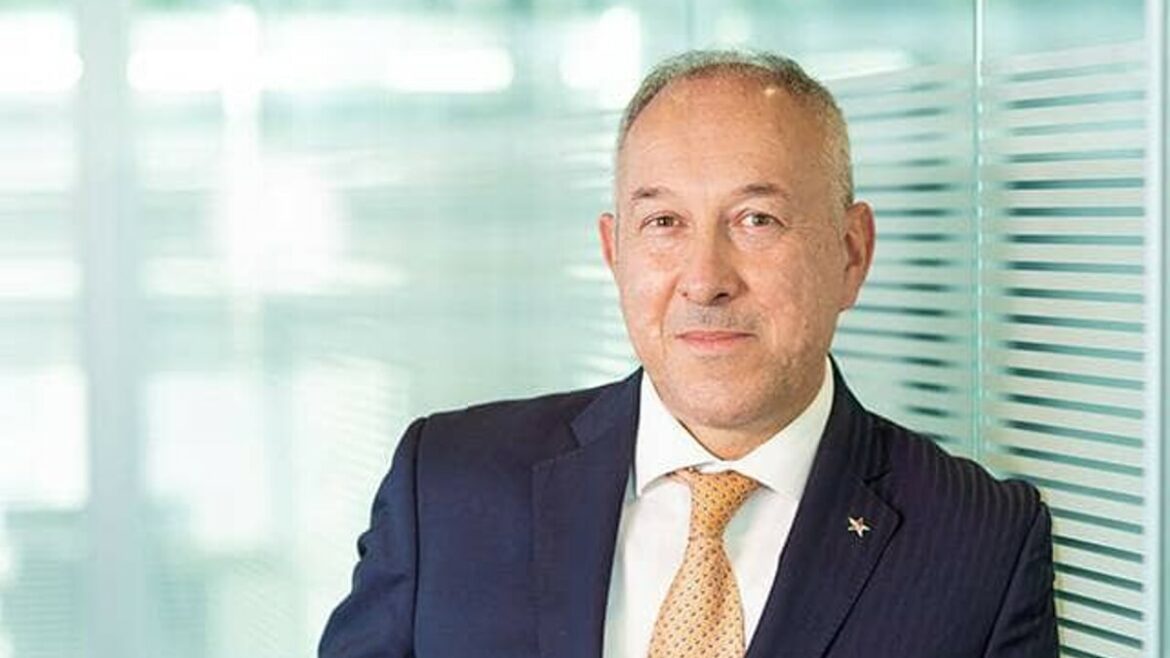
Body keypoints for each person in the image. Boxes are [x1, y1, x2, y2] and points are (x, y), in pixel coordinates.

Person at [318, 49, 1058, 658]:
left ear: (851, 253)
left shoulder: (980, 541)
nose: (705, 279)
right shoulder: (447, 484)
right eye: (665, 222)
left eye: (757, 220)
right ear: (614, 251)